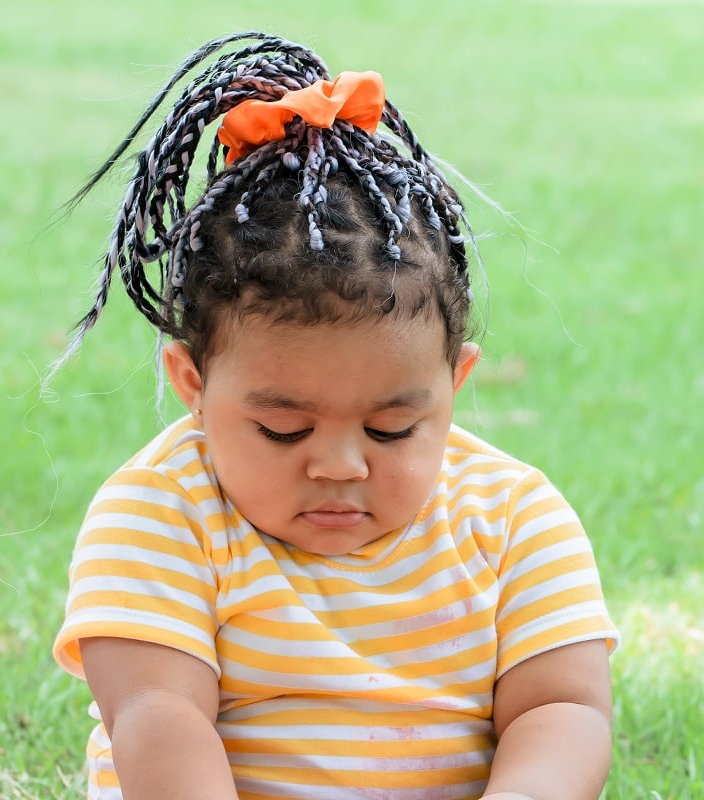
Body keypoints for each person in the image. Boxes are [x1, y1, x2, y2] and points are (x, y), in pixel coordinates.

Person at [53, 31, 619, 800]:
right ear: (192, 382)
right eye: (283, 428)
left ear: (454, 384)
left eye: (391, 428)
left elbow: (562, 707)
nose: (339, 465)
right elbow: (159, 715)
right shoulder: (159, 513)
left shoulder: (514, 519)